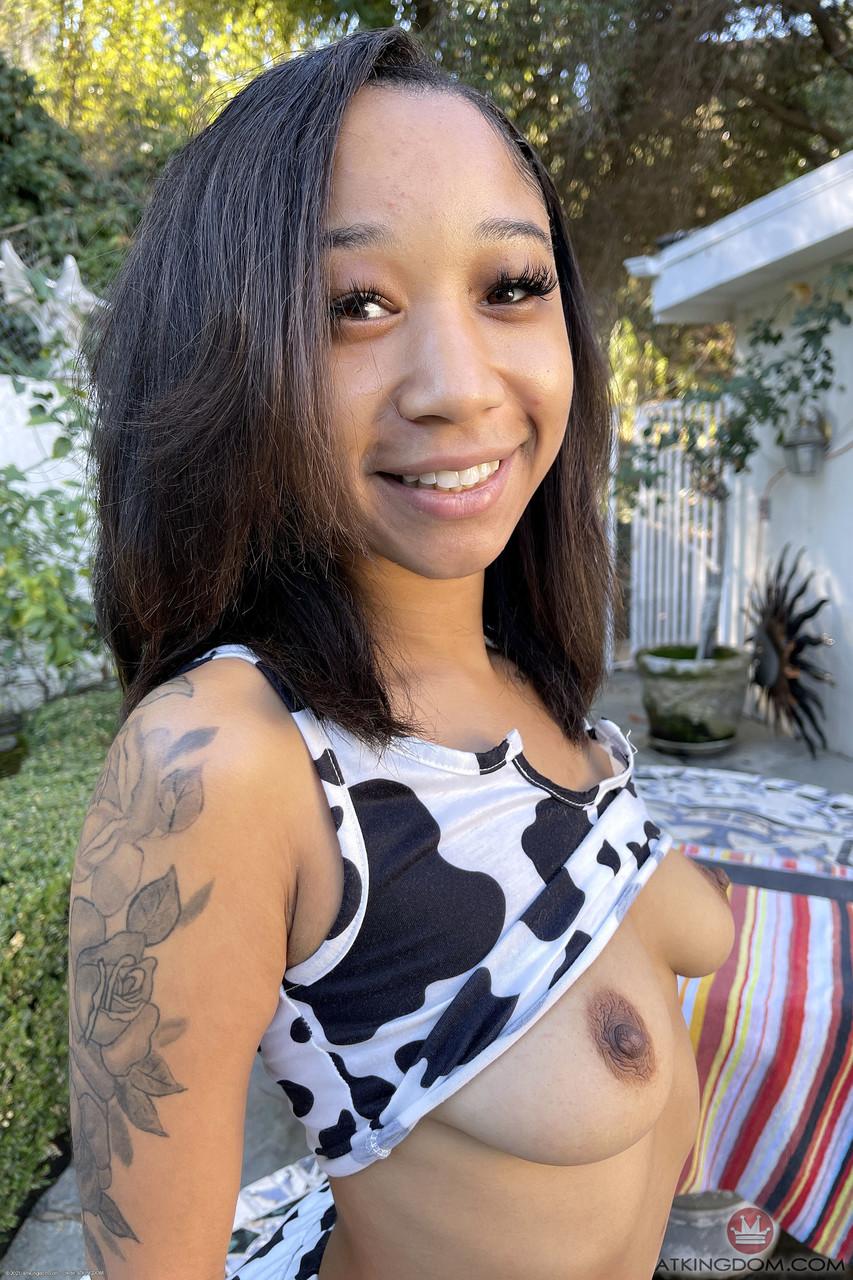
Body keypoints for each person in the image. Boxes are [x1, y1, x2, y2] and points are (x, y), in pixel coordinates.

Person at [67, 25, 736, 1280]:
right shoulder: (223, 764)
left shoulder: (527, 670)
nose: (457, 385)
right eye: (355, 306)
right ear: (226, 352)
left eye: (510, 285)